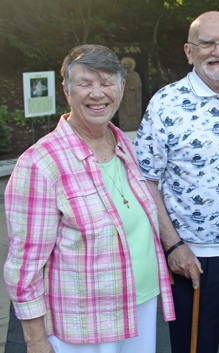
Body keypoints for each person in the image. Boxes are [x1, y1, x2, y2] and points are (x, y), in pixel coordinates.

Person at [3, 44, 175, 353]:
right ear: (67, 90)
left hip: (141, 308)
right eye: (85, 83)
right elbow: (24, 269)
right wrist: (37, 342)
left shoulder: (126, 146)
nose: (98, 93)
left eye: (107, 82)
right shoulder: (40, 164)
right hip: (83, 326)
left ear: (121, 87)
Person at [135, 11, 219, 353]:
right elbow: (144, 181)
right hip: (193, 261)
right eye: (206, 43)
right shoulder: (165, 104)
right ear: (189, 51)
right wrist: (173, 245)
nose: (217, 50)